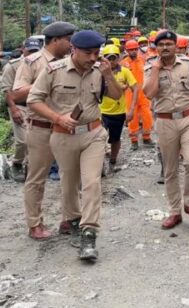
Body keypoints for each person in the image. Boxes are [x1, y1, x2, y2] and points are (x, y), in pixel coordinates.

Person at [28, 30, 121, 261]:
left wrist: (109, 76)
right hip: (62, 135)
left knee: (91, 182)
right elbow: (33, 100)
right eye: (88, 53)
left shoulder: (100, 71)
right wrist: (57, 118)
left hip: (94, 134)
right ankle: (71, 219)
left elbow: (117, 96)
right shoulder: (53, 71)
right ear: (74, 50)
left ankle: (89, 233)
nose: (93, 57)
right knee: (68, 182)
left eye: (96, 53)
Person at [11, 21, 76, 239]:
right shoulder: (33, 62)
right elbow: (17, 94)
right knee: (37, 179)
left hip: (66, 128)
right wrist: (46, 79)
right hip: (41, 129)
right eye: (68, 40)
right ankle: (35, 225)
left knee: (70, 176)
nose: (71, 44)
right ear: (56, 40)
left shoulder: (70, 61)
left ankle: (69, 220)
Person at [143, 30, 189, 229]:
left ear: (176, 46)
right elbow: (149, 94)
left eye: (169, 44)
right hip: (165, 121)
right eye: (161, 45)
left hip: (188, 118)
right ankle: (174, 211)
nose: (165, 48)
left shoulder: (188, 64)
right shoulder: (149, 67)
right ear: (156, 47)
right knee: (170, 169)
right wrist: (156, 70)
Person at [1, 37, 42, 182]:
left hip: (38, 106)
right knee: (23, 140)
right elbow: (7, 91)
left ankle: (30, 168)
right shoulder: (12, 66)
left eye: (35, 51)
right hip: (19, 105)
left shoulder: (42, 64)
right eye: (29, 51)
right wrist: (14, 109)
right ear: (23, 50)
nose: (32, 54)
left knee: (37, 140)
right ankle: (17, 163)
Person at [99, 44, 138, 173]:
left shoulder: (125, 71)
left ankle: (113, 160)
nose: (111, 61)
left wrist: (131, 109)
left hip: (118, 112)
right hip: (100, 112)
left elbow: (135, 88)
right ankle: (99, 165)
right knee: (98, 139)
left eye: (114, 58)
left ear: (119, 58)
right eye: (108, 58)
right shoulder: (98, 71)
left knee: (115, 139)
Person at [120, 39, 154, 150]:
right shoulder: (123, 63)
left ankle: (146, 137)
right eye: (131, 50)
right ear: (127, 50)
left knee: (147, 115)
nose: (133, 51)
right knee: (132, 116)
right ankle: (134, 140)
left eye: (135, 49)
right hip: (130, 93)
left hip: (143, 94)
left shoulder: (143, 61)